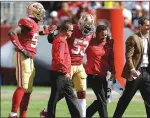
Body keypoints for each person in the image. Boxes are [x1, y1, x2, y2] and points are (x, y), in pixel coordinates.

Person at [40, 13, 95, 118]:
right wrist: (50, 33)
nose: (87, 30)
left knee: (82, 92)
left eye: (89, 27)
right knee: (62, 92)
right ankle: (47, 111)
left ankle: (81, 115)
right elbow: (54, 38)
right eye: (85, 26)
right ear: (79, 23)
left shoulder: (92, 33)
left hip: (79, 65)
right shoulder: (71, 29)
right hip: (67, 65)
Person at [8, 2, 46, 118]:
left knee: (28, 89)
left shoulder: (34, 24)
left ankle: (22, 115)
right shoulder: (27, 22)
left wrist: (52, 30)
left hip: (30, 59)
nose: (42, 14)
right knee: (22, 86)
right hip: (23, 56)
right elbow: (12, 32)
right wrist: (21, 48)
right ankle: (13, 114)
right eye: (40, 12)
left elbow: (39, 31)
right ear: (34, 12)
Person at [113, 17, 150, 118]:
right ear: (140, 26)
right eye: (146, 25)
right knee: (126, 99)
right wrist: (132, 70)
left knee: (149, 100)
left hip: (147, 73)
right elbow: (128, 56)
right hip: (136, 73)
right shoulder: (133, 38)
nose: (148, 27)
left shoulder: (148, 38)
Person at [47, 21, 81, 118]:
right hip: (59, 73)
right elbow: (59, 58)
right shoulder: (61, 40)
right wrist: (66, 71)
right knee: (55, 97)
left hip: (62, 72)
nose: (72, 32)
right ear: (65, 30)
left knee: (70, 96)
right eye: (71, 30)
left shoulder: (61, 39)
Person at [85, 25, 116, 118]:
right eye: (102, 35)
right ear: (96, 34)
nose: (104, 37)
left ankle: (85, 115)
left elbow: (111, 59)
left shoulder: (109, 43)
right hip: (93, 75)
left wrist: (113, 72)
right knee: (102, 99)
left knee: (103, 99)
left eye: (106, 35)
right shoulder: (89, 42)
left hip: (103, 75)